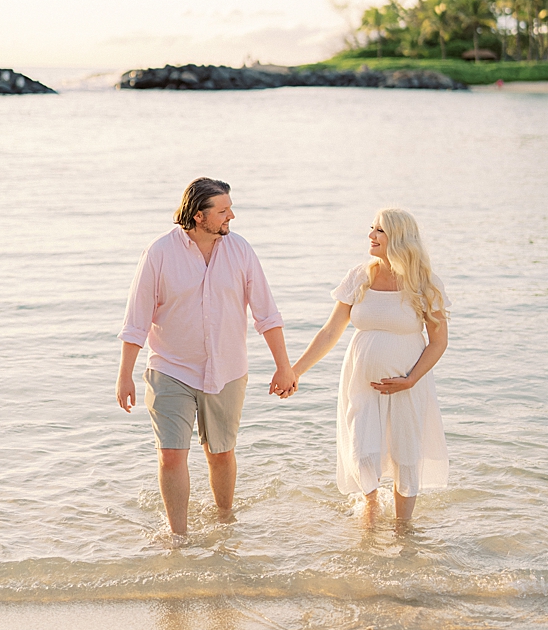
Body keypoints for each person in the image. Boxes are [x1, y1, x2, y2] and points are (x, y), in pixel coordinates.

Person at [116, 178, 297, 536]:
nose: (232, 215)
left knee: (221, 453)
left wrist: (284, 366)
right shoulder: (159, 253)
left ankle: (225, 521)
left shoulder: (241, 251)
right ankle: (178, 537)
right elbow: (136, 320)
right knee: (171, 454)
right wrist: (125, 375)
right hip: (170, 369)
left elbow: (267, 314)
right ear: (199, 216)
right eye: (223, 210)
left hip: (227, 371)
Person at [288, 207, 450, 522]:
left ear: (399, 238)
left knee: (405, 455)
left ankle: (404, 532)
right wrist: (295, 371)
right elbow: (330, 332)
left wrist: (411, 379)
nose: (371, 235)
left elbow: (438, 342)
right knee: (363, 451)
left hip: (406, 385)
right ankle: (370, 515)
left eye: (379, 230)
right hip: (360, 382)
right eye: (372, 228)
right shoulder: (360, 276)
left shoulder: (425, 284)